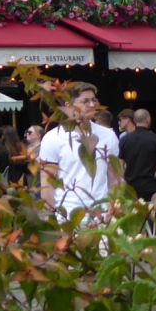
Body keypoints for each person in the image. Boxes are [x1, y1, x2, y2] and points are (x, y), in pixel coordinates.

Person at [38, 83, 120, 219]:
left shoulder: (108, 136)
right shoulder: (53, 138)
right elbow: (47, 183)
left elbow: (114, 179)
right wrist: (51, 218)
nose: (92, 105)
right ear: (69, 105)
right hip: (67, 216)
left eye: (94, 100)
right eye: (85, 101)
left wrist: (113, 212)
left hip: (101, 215)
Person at [118, 109, 156, 234]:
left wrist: (123, 182)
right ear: (148, 120)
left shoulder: (124, 140)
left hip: (133, 189)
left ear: (134, 121)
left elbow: (120, 166)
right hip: (153, 188)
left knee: (137, 222)